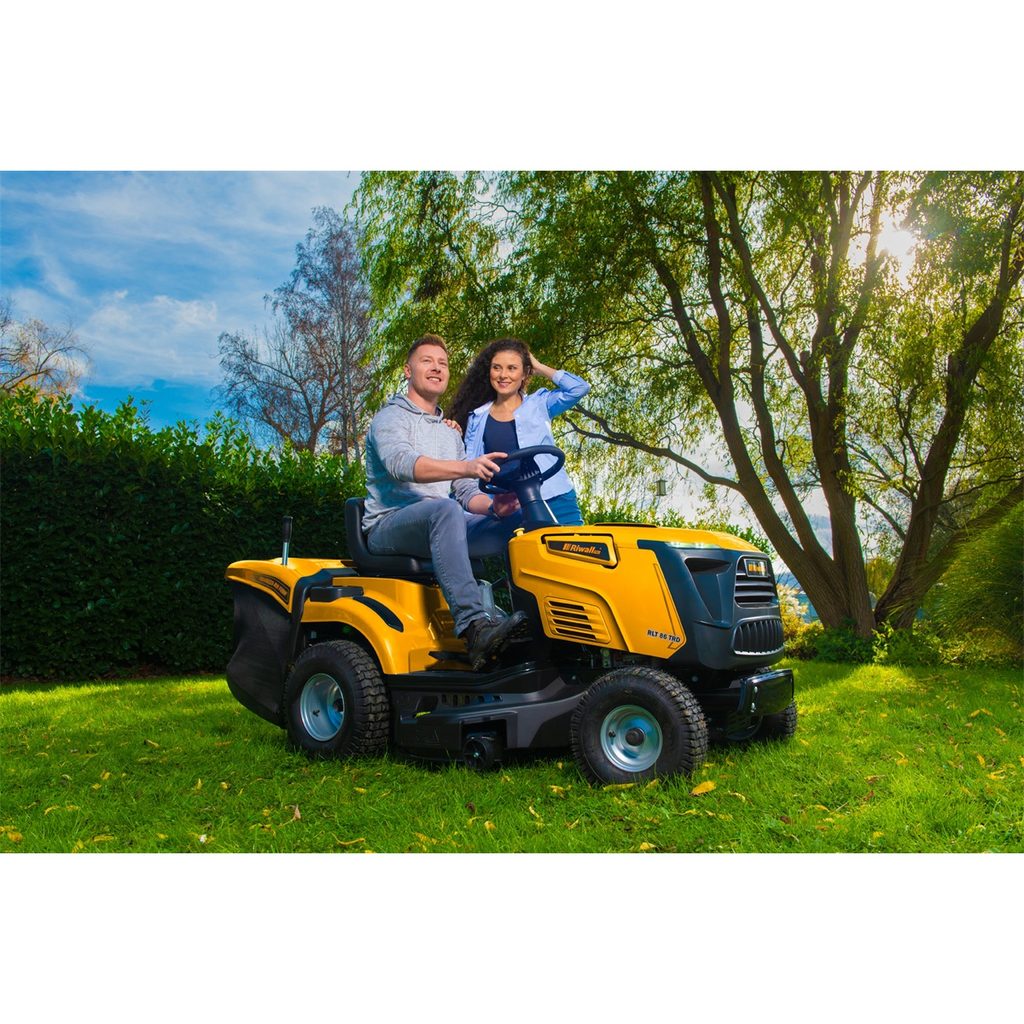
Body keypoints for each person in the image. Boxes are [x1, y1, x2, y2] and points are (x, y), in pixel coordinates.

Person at [362, 334, 527, 670]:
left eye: (443, 363)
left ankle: (533, 622)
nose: (436, 368)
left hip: (442, 522)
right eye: (427, 361)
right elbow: (401, 464)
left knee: (519, 522)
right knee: (445, 509)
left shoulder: (450, 431)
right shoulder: (390, 418)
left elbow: (465, 491)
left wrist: (494, 508)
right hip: (390, 525)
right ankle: (474, 627)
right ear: (408, 370)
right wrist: (466, 467)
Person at [448, 338, 590, 525]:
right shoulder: (477, 417)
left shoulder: (539, 403)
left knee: (574, 543)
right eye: (497, 368)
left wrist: (539, 367)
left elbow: (579, 388)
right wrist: (452, 431)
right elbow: (470, 464)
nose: (503, 375)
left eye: (512, 368)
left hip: (554, 497)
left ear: (524, 373)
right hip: (510, 507)